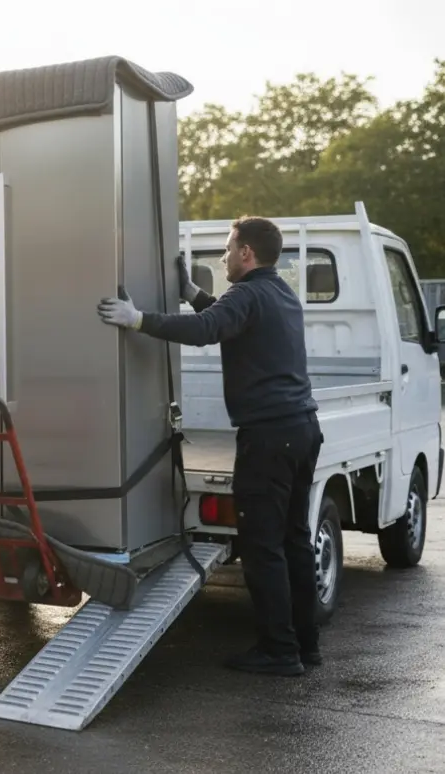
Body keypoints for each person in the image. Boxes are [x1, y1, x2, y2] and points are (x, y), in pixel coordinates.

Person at [96, 215, 323, 677]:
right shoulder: (278, 292)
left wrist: (136, 319)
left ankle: (279, 652)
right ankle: (306, 644)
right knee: (294, 541)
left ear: (246, 253)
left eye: (227, 248)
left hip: (268, 438)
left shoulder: (248, 294)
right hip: (301, 431)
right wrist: (192, 294)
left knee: (263, 548)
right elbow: (225, 316)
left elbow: (206, 329)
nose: (221, 257)